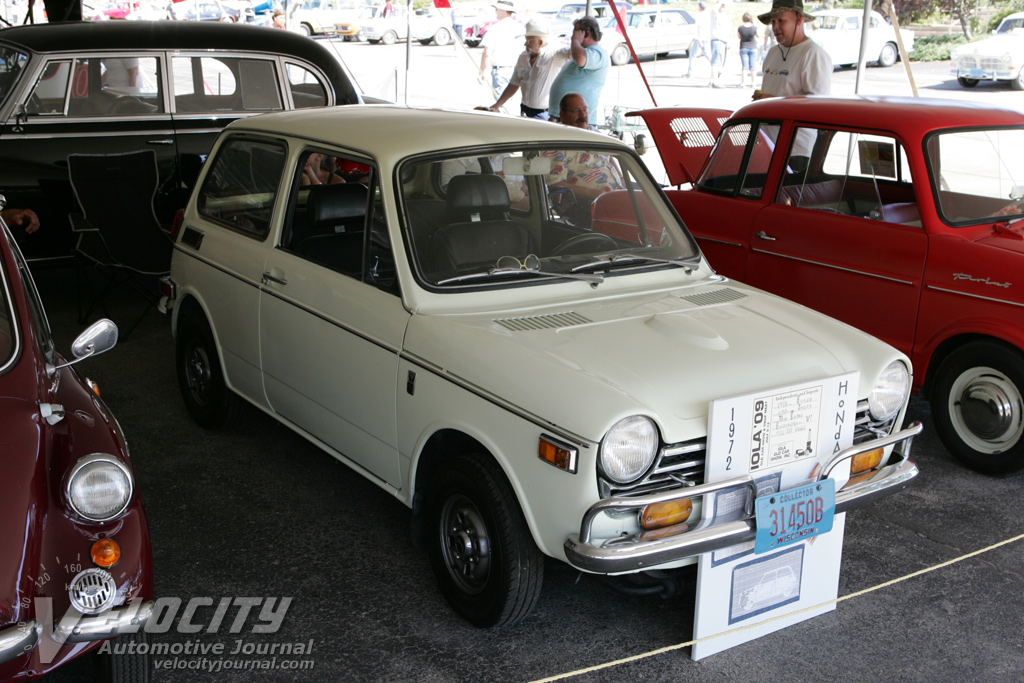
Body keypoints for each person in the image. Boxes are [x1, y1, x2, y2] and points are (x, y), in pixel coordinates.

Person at [486, 18, 569, 119]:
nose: (525, 44)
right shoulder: (523, 56)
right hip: (525, 111)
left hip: (546, 114)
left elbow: (573, 53)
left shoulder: (553, 56)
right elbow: (514, 84)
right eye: (526, 40)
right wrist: (497, 105)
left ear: (540, 43)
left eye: (529, 41)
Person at [754, 0, 832, 100]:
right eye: (773, 21)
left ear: (798, 19)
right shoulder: (773, 52)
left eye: (781, 20)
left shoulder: (814, 55)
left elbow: (818, 106)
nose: (775, 27)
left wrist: (771, 102)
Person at [546, 15, 609, 126]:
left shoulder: (598, 53)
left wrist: (575, 41)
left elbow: (580, 59)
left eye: (575, 32)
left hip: (579, 118)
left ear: (586, 34)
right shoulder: (584, 51)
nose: (572, 36)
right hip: (564, 116)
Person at [477, 0, 523, 95]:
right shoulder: (520, 28)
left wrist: (481, 72)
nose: (495, 11)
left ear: (503, 10)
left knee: (501, 102)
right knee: (512, 101)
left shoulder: (495, 28)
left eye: (496, 9)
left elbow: (487, 53)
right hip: (517, 70)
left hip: (501, 71)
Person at [684, 1, 710, 79]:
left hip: (699, 38)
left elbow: (699, 27)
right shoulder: (707, 15)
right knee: (707, 54)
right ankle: (716, 68)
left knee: (692, 55)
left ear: (700, 7)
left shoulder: (699, 15)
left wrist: (699, 38)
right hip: (706, 37)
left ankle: (690, 72)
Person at [709, 1, 730, 87]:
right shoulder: (715, 14)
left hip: (723, 41)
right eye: (722, 5)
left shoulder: (723, 16)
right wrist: (720, 2)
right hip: (717, 40)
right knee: (716, 62)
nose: (723, 6)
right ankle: (716, 81)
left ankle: (712, 80)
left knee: (721, 63)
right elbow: (713, 9)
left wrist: (728, 41)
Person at [738, 12, 759, 88]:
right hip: (753, 47)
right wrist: (755, 25)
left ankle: (743, 83)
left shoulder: (740, 28)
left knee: (744, 66)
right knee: (753, 66)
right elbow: (758, 35)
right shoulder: (754, 28)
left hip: (743, 47)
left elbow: (739, 37)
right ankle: (753, 82)